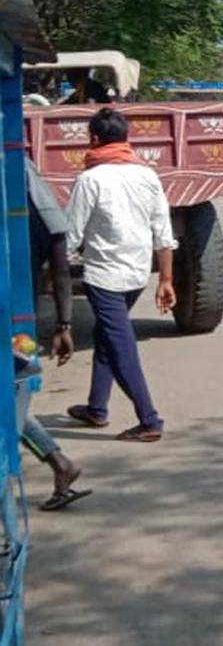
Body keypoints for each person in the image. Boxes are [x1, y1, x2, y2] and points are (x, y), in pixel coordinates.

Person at [65, 107, 177, 442]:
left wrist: (53, 272)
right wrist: (166, 279)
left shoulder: (90, 180)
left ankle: (150, 420)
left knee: (120, 346)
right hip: (137, 274)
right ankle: (96, 408)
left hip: (104, 277)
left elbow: (71, 235)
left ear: (94, 139)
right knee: (107, 336)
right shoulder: (147, 175)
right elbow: (164, 233)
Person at [22, 158, 90, 510]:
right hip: (22, 326)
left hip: (15, 326)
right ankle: (59, 463)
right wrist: (64, 326)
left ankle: (59, 462)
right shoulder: (38, 201)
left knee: (9, 402)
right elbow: (61, 268)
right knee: (12, 399)